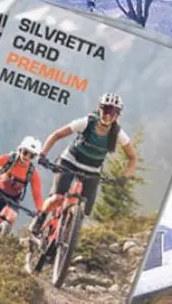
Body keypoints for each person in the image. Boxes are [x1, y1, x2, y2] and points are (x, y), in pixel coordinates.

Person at [29, 92, 137, 237]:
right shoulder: (87, 122)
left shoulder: (118, 134)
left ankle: (65, 238)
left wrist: (125, 176)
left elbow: (132, 157)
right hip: (70, 161)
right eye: (106, 110)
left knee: (84, 211)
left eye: (114, 112)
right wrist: (42, 154)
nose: (108, 115)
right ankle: (40, 218)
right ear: (100, 109)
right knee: (58, 197)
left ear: (118, 115)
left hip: (92, 170)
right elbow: (57, 135)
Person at [0, 136, 45, 229]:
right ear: (20, 150)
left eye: (32, 155)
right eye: (25, 152)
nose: (27, 157)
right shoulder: (8, 159)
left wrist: (40, 211)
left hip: (12, 201)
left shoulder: (32, 173)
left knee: (11, 218)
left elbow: (37, 195)